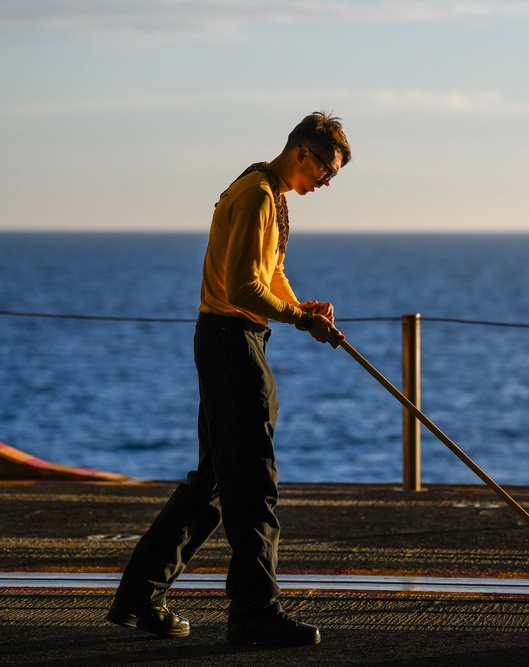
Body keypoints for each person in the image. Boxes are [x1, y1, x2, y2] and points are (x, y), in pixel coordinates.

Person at [106, 112, 350, 647]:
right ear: (302, 153)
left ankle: (138, 597)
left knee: (216, 481)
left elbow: (266, 274)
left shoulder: (267, 189)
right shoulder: (261, 194)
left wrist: (297, 304)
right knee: (253, 484)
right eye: (326, 172)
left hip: (229, 340)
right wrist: (300, 319)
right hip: (233, 342)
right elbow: (242, 289)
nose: (326, 183)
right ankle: (253, 615)